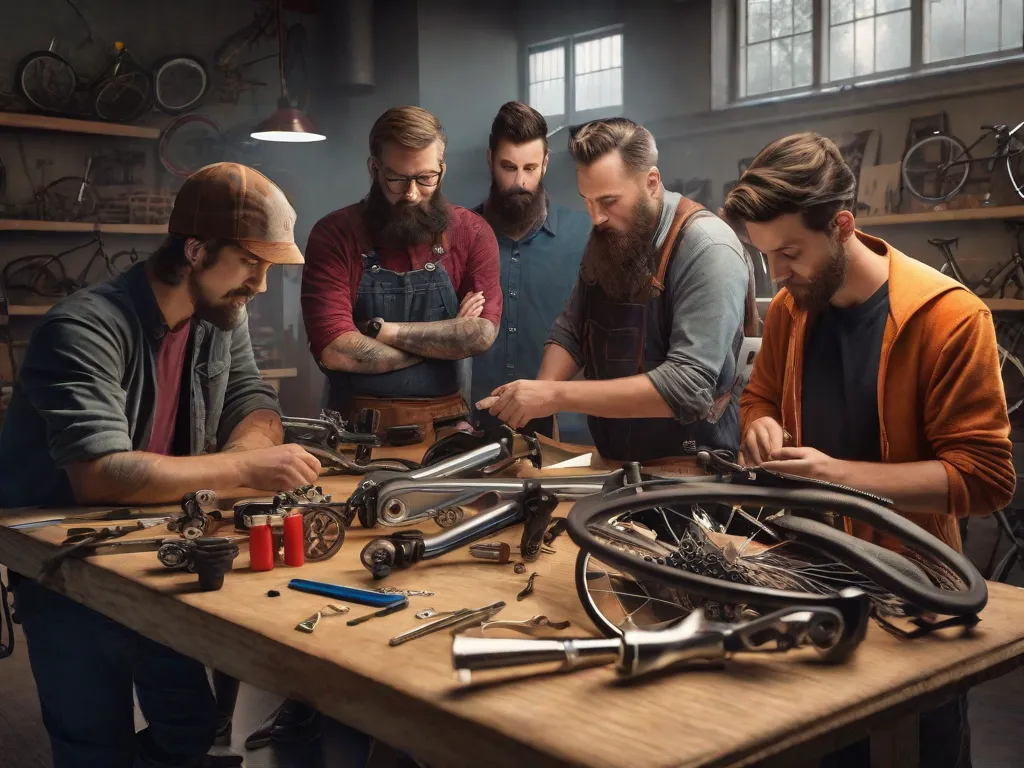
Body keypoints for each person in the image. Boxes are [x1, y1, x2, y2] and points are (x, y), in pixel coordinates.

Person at [0, 162, 320, 768]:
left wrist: (233, 459)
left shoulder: (222, 314)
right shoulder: (82, 328)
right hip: (68, 564)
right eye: (251, 261)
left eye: (268, 266)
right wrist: (242, 472)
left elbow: (254, 401)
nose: (260, 282)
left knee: (191, 722)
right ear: (196, 249)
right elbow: (98, 474)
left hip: (153, 545)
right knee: (93, 742)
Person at [723, 132, 1016, 768]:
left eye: (791, 252)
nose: (777, 274)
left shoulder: (951, 319)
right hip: (810, 583)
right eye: (766, 256)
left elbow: (986, 479)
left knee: (922, 751)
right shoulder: (791, 309)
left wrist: (834, 475)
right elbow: (759, 399)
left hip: (916, 596)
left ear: (843, 224)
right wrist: (760, 426)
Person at [478, 117, 756, 462]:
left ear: (652, 183)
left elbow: (688, 386)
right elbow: (571, 329)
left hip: (692, 473)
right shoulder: (610, 237)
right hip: (618, 463)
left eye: (608, 201)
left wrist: (556, 395)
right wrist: (535, 399)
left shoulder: (707, 248)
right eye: (587, 200)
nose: (595, 217)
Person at [302, 105, 502, 442]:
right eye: (396, 178)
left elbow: (479, 336)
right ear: (374, 169)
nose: (411, 193)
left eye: (425, 179)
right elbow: (337, 349)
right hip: (355, 433)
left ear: (442, 169)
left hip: (446, 433)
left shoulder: (473, 232)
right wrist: (446, 341)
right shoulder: (335, 234)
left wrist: (381, 331)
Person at [471, 101, 592, 442]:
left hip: (567, 434)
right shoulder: (458, 235)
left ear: (546, 164)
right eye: (508, 167)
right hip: (468, 426)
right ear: (490, 160)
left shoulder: (586, 236)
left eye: (530, 168)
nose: (519, 182)